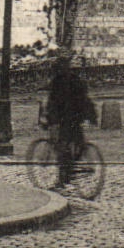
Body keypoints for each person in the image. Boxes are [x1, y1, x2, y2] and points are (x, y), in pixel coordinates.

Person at [43, 50, 96, 186]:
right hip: (78, 116)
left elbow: (53, 103)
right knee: (75, 141)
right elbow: (85, 98)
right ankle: (76, 160)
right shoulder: (76, 79)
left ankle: (64, 177)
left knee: (62, 146)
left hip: (67, 118)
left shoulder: (57, 82)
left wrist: (49, 119)